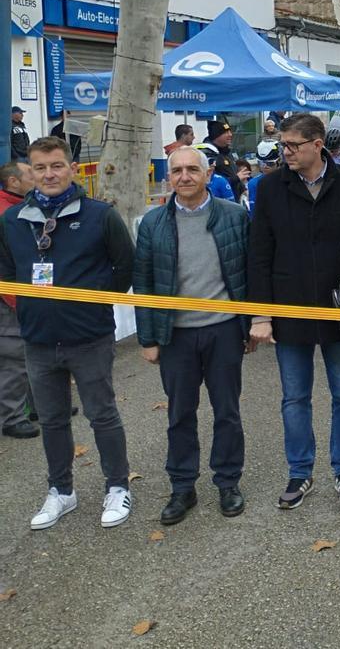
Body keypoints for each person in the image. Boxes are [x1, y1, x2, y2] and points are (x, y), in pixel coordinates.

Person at [0, 136, 135, 529]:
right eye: (39, 168)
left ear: (72, 169)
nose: (48, 174)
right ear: (30, 173)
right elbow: (7, 272)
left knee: (101, 414)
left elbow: (124, 266)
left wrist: (95, 302)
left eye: (56, 166)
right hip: (38, 339)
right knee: (52, 419)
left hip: (89, 337)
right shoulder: (13, 220)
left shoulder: (99, 215)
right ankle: (61, 490)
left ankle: (117, 485)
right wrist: (24, 307)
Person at [247, 113, 340, 510]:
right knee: (294, 397)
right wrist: (261, 315)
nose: (286, 152)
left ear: (318, 145)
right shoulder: (268, 188)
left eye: (293, 146)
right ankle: (300, 472)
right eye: (283, 145)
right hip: (289, 307)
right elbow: (259, 254)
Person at [133, 146, 251, 524]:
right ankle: (183, 486)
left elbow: (247, 274)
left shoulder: (234, 217)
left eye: (191, 170)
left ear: (207, 173)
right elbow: (145, 283)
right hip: (175, 335)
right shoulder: (152, 223)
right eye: (176, 170)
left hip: (223, 330)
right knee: (180, 414)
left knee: (227, 412)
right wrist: (148, 339)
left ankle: (228, 482)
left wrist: (251, 325)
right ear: (168, 176)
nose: (184, 177)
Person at [0, 161, 36, 439]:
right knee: (14, 355)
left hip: (24, 293)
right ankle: (12, 417)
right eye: (30, 174)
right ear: (13, 182)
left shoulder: (20, 207)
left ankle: (36, 405)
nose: (37, 178)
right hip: (9, 297)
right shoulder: (6, 213)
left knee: (31, 350)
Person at [204, 119, 243, 199]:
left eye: (230, 131)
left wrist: (243, 189)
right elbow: (209, 181)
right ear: (216, 135)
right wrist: (236, 179)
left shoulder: (227, 152)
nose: (230, 135)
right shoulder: (208, 155)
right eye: (226, 132)